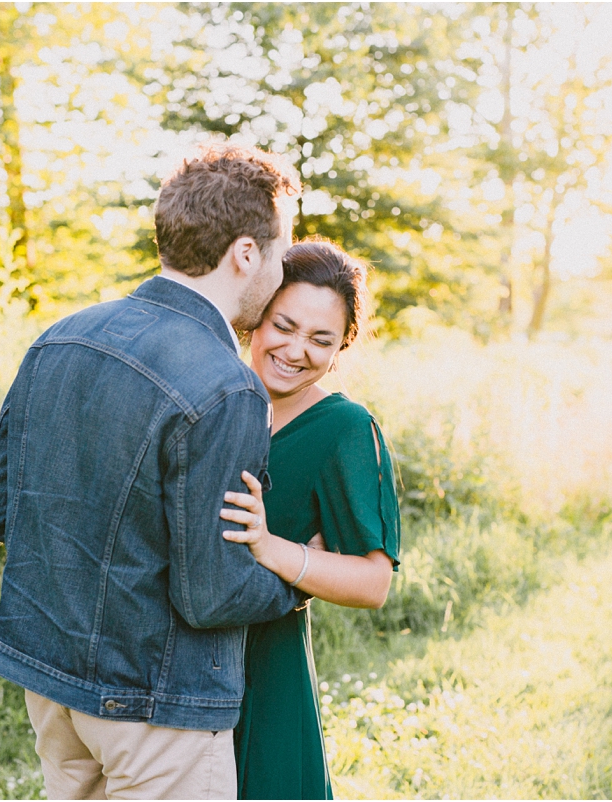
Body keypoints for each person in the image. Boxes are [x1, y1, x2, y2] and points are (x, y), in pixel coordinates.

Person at [0, 143, 305, 800]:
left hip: (52, 683)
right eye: (279, 251)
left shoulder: (59, 338)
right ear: (246, 253)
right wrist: (298, 579)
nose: (279, 268)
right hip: (158, 706)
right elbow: (211, 594)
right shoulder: (228, 388)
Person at [218, 239, 402, 800]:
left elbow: (374, 582)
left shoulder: (343, 428)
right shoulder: (212, 395)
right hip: (164, 664)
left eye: (320, 339)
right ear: (256, 318)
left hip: (265, 668)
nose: (295, 350)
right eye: (284, 325)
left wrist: (277, 550)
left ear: (342, 346)